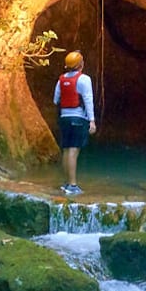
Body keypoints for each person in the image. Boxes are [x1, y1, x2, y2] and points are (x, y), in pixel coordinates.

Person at [52, 50, 96, 194]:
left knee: (66, 150)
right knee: (73, 150)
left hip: (64, 118)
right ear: (80, 64)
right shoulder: (84, 79)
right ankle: (72, 185)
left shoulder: (61, 80)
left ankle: (66, 183)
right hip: (78, 118)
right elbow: (88, 100)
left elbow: (55, 100)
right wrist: (92, 121)